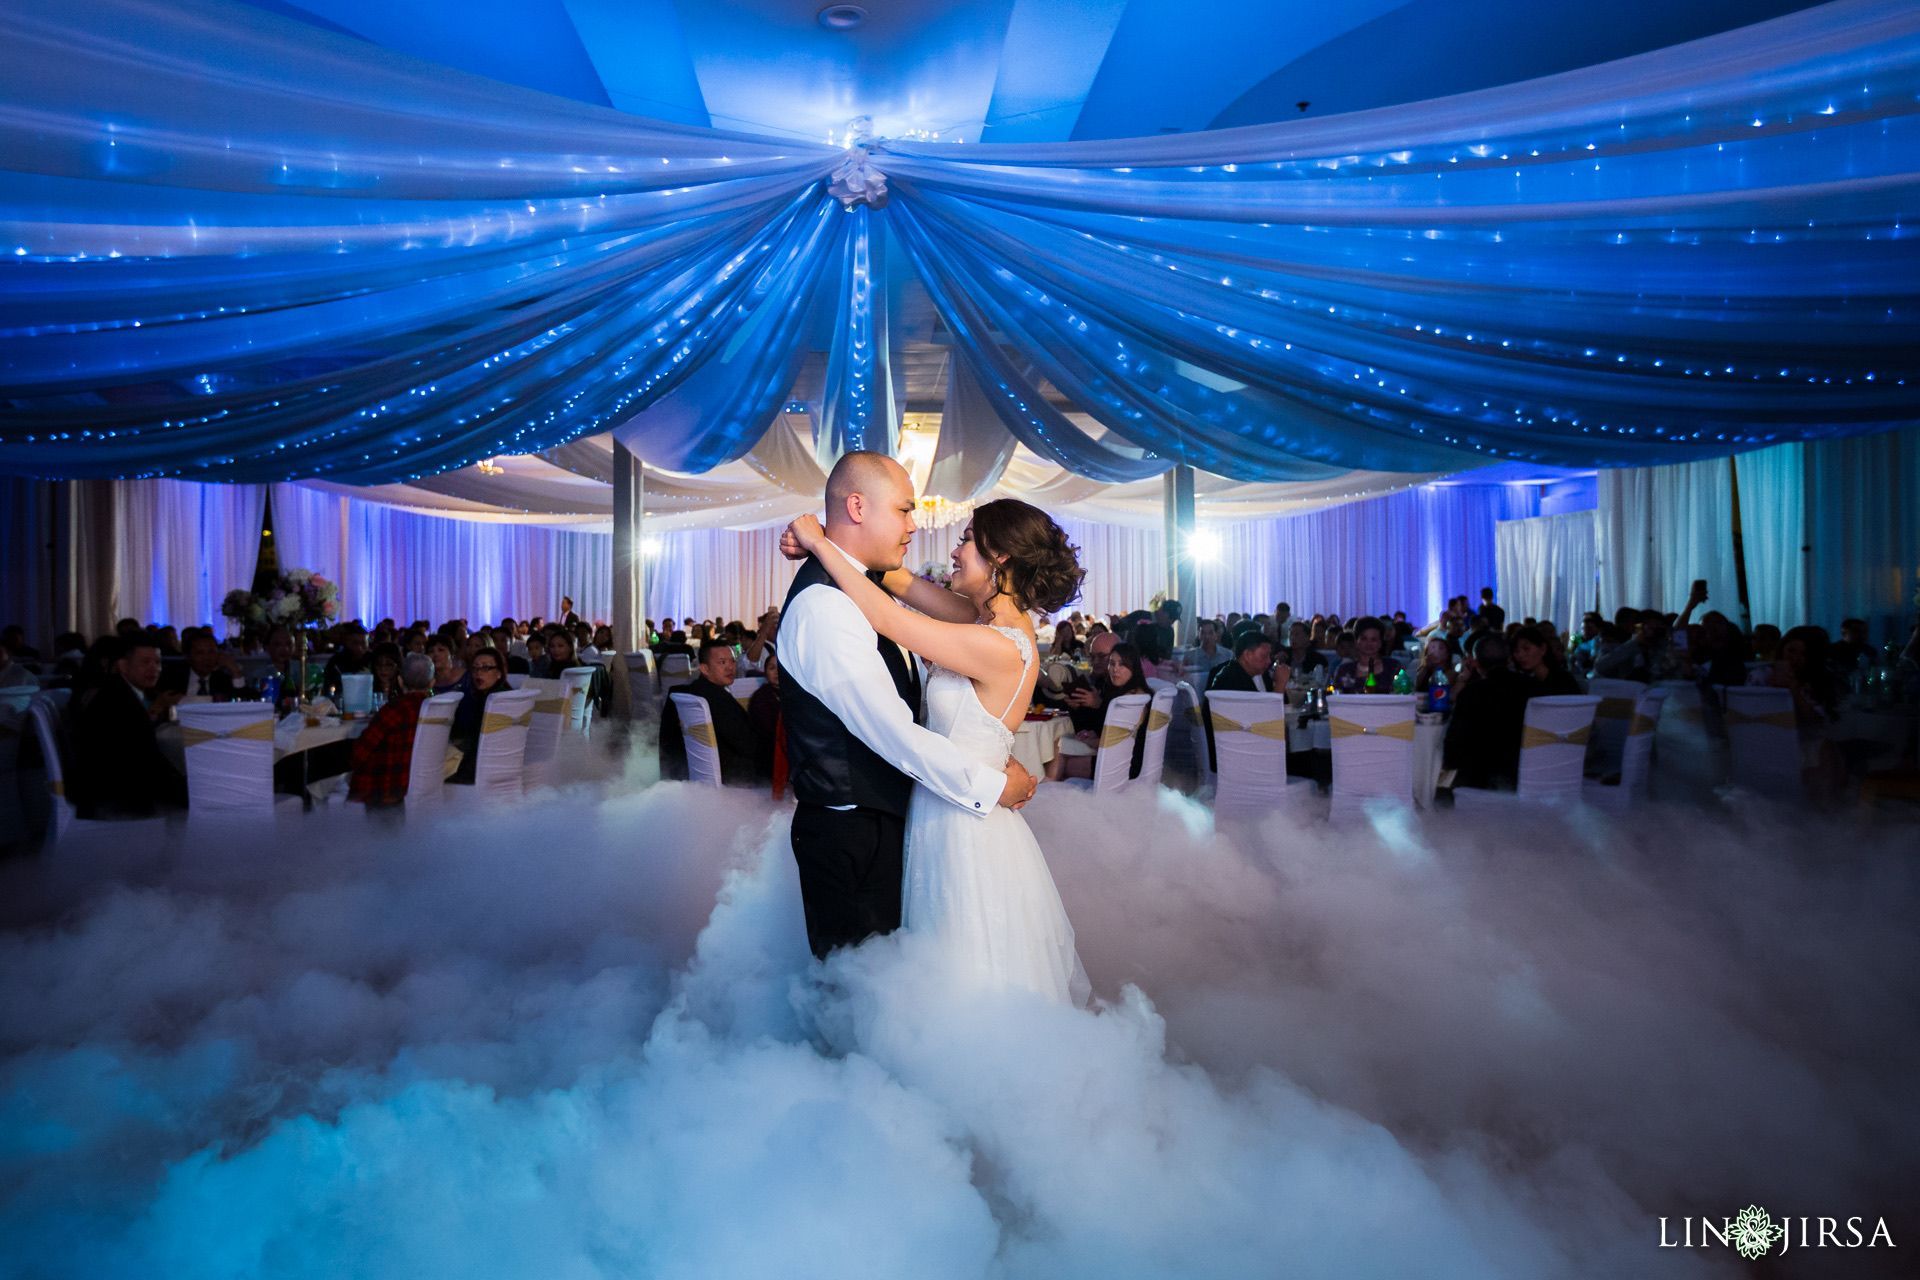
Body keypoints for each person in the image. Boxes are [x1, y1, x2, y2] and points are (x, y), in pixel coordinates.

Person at [778, 454, 1070, 1000]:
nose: (949, 548)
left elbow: (891, 617)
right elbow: (902, 584)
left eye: (967, 540)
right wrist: (826, 543)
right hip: (926, 807)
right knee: (902, 982)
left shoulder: (997, 640)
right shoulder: (978, 618)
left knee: (959, 977)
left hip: (959, 820)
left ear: (1000, 558)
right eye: (905, 511)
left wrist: (821, 542)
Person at [69, 637, 187, 818]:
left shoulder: (120, 692)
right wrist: (189, 794)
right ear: (123, 666)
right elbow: (145, 764)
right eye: (145, 662)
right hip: (114, 795)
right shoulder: (117, 702)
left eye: (157, 662)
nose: (154, 669)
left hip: (113, 787)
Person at [658, 638, 759, 786]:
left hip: (694, 776)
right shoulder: (717, 699)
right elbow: (749, 745)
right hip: (735, 778)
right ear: (705, 669)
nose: (730, 667)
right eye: (722, 662)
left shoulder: (695, 690)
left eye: (732, 661)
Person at [1047, 642, 1152, 782]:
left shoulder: (1132, 699)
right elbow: (1111, 730)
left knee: (1062, 760)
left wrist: (1090, 740)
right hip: (1116, 755)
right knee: (1060, 745)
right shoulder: (1119, 691)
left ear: (1133, 667)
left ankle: (1048, 788)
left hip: (1124, 764)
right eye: (1112, 663)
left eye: (1122, 664)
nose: (1115, 669)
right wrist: (1091, 731)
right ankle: (1050, 786)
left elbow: (1118, 741)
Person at [1442, 634, 1532, 790]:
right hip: (1526, 771)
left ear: (1476, 663)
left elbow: (1454, 745)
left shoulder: (1472, 693)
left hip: (1479, 777)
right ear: (1509, 659)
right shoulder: (1531, 687)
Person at [348, 652, 436, 807]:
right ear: (432, 683)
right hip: (420, 788)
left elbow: (359, 753)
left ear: (400, 681)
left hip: (385, 789)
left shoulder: (394, 711)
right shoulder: (437, 710)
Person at [445, 649, 512, 785]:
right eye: (475, 668)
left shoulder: (493, 702)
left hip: (479, 771)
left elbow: (477, 746)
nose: (478, 673)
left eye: (486, 668)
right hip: (501, 768)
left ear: (499, 673)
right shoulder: (503, 695)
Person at [161, 632, 242, 701]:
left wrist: (235, 671)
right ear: (188, 656)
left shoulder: (222, 679)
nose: (206, 658)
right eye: (200, 653)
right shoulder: (172, 678)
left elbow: (242, 701)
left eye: (211, 652)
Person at [748, 650, 784, 791]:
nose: (777, 672)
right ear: (765, 673)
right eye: (772, 668)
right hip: (770, 753)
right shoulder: (761, 698)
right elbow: (769, 731)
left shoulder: (795, 694)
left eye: (781, 667)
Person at [1331, 616, 1395, 694]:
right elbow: (1335, 697)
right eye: (1364, 639)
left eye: (1373, 639)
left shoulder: (1393, 667)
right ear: (1356, 641)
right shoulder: (1344, 670)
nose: (1369, 644)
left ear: (1380, 642)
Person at [1512, 625, 1580, 695]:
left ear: (1543, 649)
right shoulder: (1523, 682)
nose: (1520, 655)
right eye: (1516, 651)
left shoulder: (1563, 680)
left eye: (1526, 649)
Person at [1207, 631, 1275, 694]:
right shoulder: (1228, 679)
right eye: (1264, 656)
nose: (1269, 661)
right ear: (1247, 655)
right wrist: (1279, 685)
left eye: (1269, 656)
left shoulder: (1263, 673)